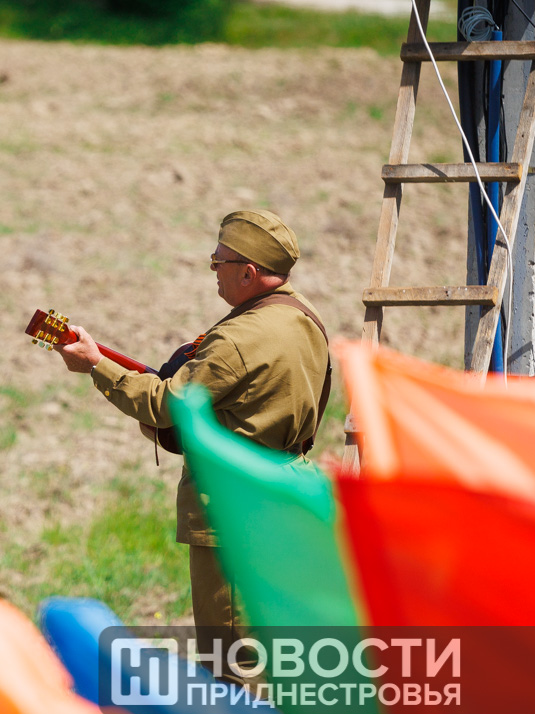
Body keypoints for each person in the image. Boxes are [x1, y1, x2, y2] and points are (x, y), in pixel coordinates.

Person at [54, 210, 330, 679]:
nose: (213, 271)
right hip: (293, 494)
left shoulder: (239, 337)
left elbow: (166, 405)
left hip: (235, 507)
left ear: (248, 272)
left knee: (234, 661)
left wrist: (96, 366)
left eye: (218, 262)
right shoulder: (303, 315)